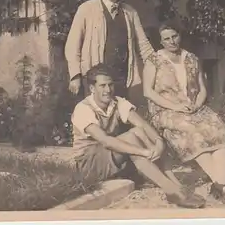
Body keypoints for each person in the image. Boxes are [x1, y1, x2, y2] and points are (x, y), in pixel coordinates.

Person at [71, 63, 206, 208]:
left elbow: (142, 124)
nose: (108, 90)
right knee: (131, 138)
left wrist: (158, 141)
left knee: (138, 132)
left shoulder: (116, 102)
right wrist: (144, 152)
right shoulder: (83, 109)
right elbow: (106, 141)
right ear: (92, 88)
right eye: (102, 86)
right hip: (89, 164)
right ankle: (171, 191)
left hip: (109, 157)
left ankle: (177, 185)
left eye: (110, 85)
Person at [142, 24, 225, 207]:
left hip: (194, 108)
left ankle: (220, 186)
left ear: (180, 35)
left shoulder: (192, 58)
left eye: (174, 36)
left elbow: (202, 88)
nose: (172, 41)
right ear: (161, 41)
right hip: (166, 111)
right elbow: (148, 92)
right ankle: (223, 188)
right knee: (192, 130)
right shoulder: (153, 60)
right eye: (167, 38)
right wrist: (176, 106)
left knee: (217, 127)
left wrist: (197, 104)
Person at [64, 0, 154, 101]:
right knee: (97, 117)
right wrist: (75, 76)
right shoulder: (87, 9)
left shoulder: (130, 12)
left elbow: (144, 45)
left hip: (122, 78)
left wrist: (161, 66)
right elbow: (72, 45)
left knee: (120, 116)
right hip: (94, 80)